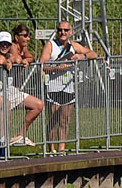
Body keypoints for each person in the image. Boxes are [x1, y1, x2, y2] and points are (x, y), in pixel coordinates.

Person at [40, 21, 94, 151]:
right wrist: (57, 68)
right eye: (60, 30)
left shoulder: (73, 45)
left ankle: (61, 148)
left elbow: (93, 54)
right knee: (53, 119)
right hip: (53, 87)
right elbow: (41, 64)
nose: (62, 33)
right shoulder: (50, 45)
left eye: (65, 30)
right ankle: (51, 148)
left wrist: (80, 56)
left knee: (65, 119)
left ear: (70, 32)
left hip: (68, 87)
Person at [0, 26, 45, 146]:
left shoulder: (23, 47)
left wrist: (26, 60)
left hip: (14, 89)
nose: (28, 38)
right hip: (4, 88)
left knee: (38, 105)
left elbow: (30, 57)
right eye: (25, 35)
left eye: (29, 35)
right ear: (16, 37)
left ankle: (20, 135)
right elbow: (17, 59)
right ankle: (2, 143)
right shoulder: (13, 46)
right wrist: (22, 59)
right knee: (5, 122)